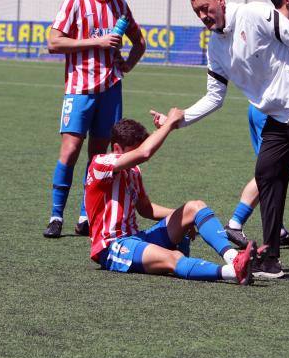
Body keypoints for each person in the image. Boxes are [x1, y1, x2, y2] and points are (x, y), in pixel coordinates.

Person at [151, 0, 289, 279]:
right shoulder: (215, 46)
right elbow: (214, 96)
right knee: (267, 174)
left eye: (206, 9)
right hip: (276, 117)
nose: (203, 16)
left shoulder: (255, 13)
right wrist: (178, 120)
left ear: (220, 0)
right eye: (197, 12)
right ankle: (271, 258)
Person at [43, 0, 146, 238]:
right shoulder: (75, 1)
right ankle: (55, 215)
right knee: (70, 150)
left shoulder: (120, 6)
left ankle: (86, 215)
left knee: (98, 155)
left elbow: (139, 42)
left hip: (110, 90)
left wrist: (126, 65)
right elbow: (54, 42)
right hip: (79, 90)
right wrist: (95, 43)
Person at [87, 109, 256, 285]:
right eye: (133, 150)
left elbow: (146, 209)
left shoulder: (133, 172)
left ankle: (235, 257)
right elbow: (144, 153)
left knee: (194, 207)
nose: (137, 158)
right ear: (116, 148)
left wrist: (183, 218)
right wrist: (169, 124)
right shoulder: (100, 164)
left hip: (136, 238)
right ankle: (234, 272)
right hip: (113, 246)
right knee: (174, 258)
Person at [225, 0, 289, 251]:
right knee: (279, 171)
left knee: (272, 173)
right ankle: (236, 223)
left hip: (264, 107)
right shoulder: (269, 23)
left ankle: (272, 228)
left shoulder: (272, 27)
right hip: (275, 110)